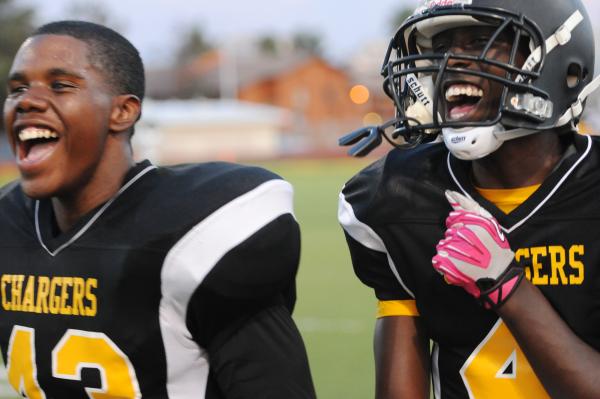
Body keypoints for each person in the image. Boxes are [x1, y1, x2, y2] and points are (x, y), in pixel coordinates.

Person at [0, 20, 316, 398]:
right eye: (16, 89)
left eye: (60, 85)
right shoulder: (8, 224)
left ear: (123, 112)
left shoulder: (199, 229)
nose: (27, 101)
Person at [338, 0, 600, 398]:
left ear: (566, 67)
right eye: (442, 46)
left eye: (480, 40)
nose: (453, 61)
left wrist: (507, 287)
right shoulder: (401, 194)